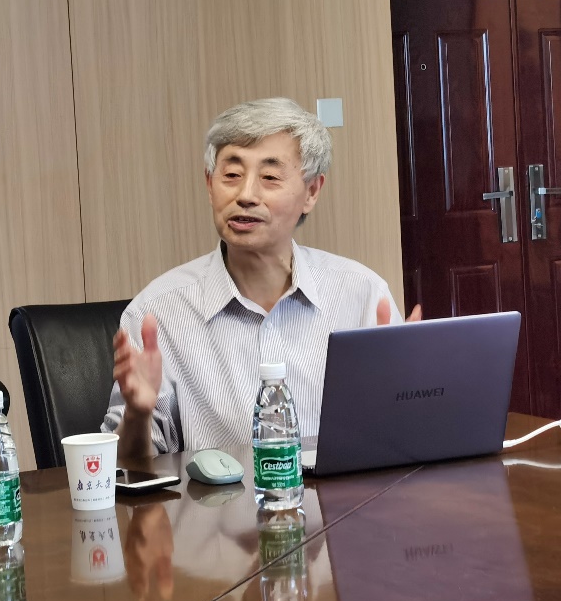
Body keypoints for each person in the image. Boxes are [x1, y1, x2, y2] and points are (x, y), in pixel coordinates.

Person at [102, 97, 421, 458]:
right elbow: (125, 466)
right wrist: (138, 415)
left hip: (339, 496)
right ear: (209, 184)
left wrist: (406, 395)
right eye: (231, 175)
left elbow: (403, 443)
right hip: (214, 497)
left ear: (312, 192)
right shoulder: (157, 313)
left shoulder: (363, 296)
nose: (246, 195)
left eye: (270, 177)